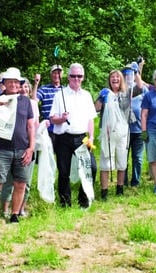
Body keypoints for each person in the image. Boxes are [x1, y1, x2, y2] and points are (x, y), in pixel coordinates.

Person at [0, 67, 35, 223]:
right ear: (4, 83)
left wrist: (31, 147)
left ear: (20, 84)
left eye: (16, 82)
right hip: (1, 149)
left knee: (20, 183)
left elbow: (30, 126)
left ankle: (15, 214)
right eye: (10, 82)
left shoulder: (26, 101)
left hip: (22, 148)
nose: (14, 84)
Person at [50, 63, 96, 207]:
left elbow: (90, 119)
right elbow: (52, 118)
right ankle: (65, 202)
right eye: (73, 76)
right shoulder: (60, 95)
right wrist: (62, 119)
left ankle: (84, 200)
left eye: (79, 76)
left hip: (82, 138)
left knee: (91, 168)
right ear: (68, 77)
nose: (76, 78)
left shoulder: (87, 95)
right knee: (64, 172)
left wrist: (92, 137)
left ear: (83, 78)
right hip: (63, 138)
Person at [0, 78, 39, 217]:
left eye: (26, 87)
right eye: (22, 87)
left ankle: (19, 210)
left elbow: (33, 125)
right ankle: (4, 209)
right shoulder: (3, 100)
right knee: (8, 181)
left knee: (23, 182)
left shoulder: (31, 103)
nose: (23, 89)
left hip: (25, 146)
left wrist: (31, 146)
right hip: (6, 147)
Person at [95, 70, 130, 199]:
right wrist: (102, 98)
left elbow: (126, 109)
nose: (115, 79)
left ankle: (119, 189)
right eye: (112, 77)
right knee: (106, 161)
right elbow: (96, 108)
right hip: (107, 132)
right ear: (109, 80)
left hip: (122, 132)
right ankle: (104, 191)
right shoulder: (105, 93)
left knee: (122, 160)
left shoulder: (125, 94)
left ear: (121, 79)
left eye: (117, 77)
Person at [122, 63, 149, 188]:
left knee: (137, 158)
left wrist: (137, 70)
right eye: (126, 74)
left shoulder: (140, 88)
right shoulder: (121, 90)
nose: (128, 76)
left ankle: (135, 181)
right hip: (124, 131)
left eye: (131, 74)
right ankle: (123, 181)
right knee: (123, 157)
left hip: (138, 129)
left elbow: (143, 89)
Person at [33, 64, 64, 144]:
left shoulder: (66, 90)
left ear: (62, 75)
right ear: (51, 74)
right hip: (48, 126)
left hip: (62, 126)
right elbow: (34, 100)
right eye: (54, 73)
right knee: (48, 154)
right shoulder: (44, 89)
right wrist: (36, 84)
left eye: (59, 73)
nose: (56, 75)